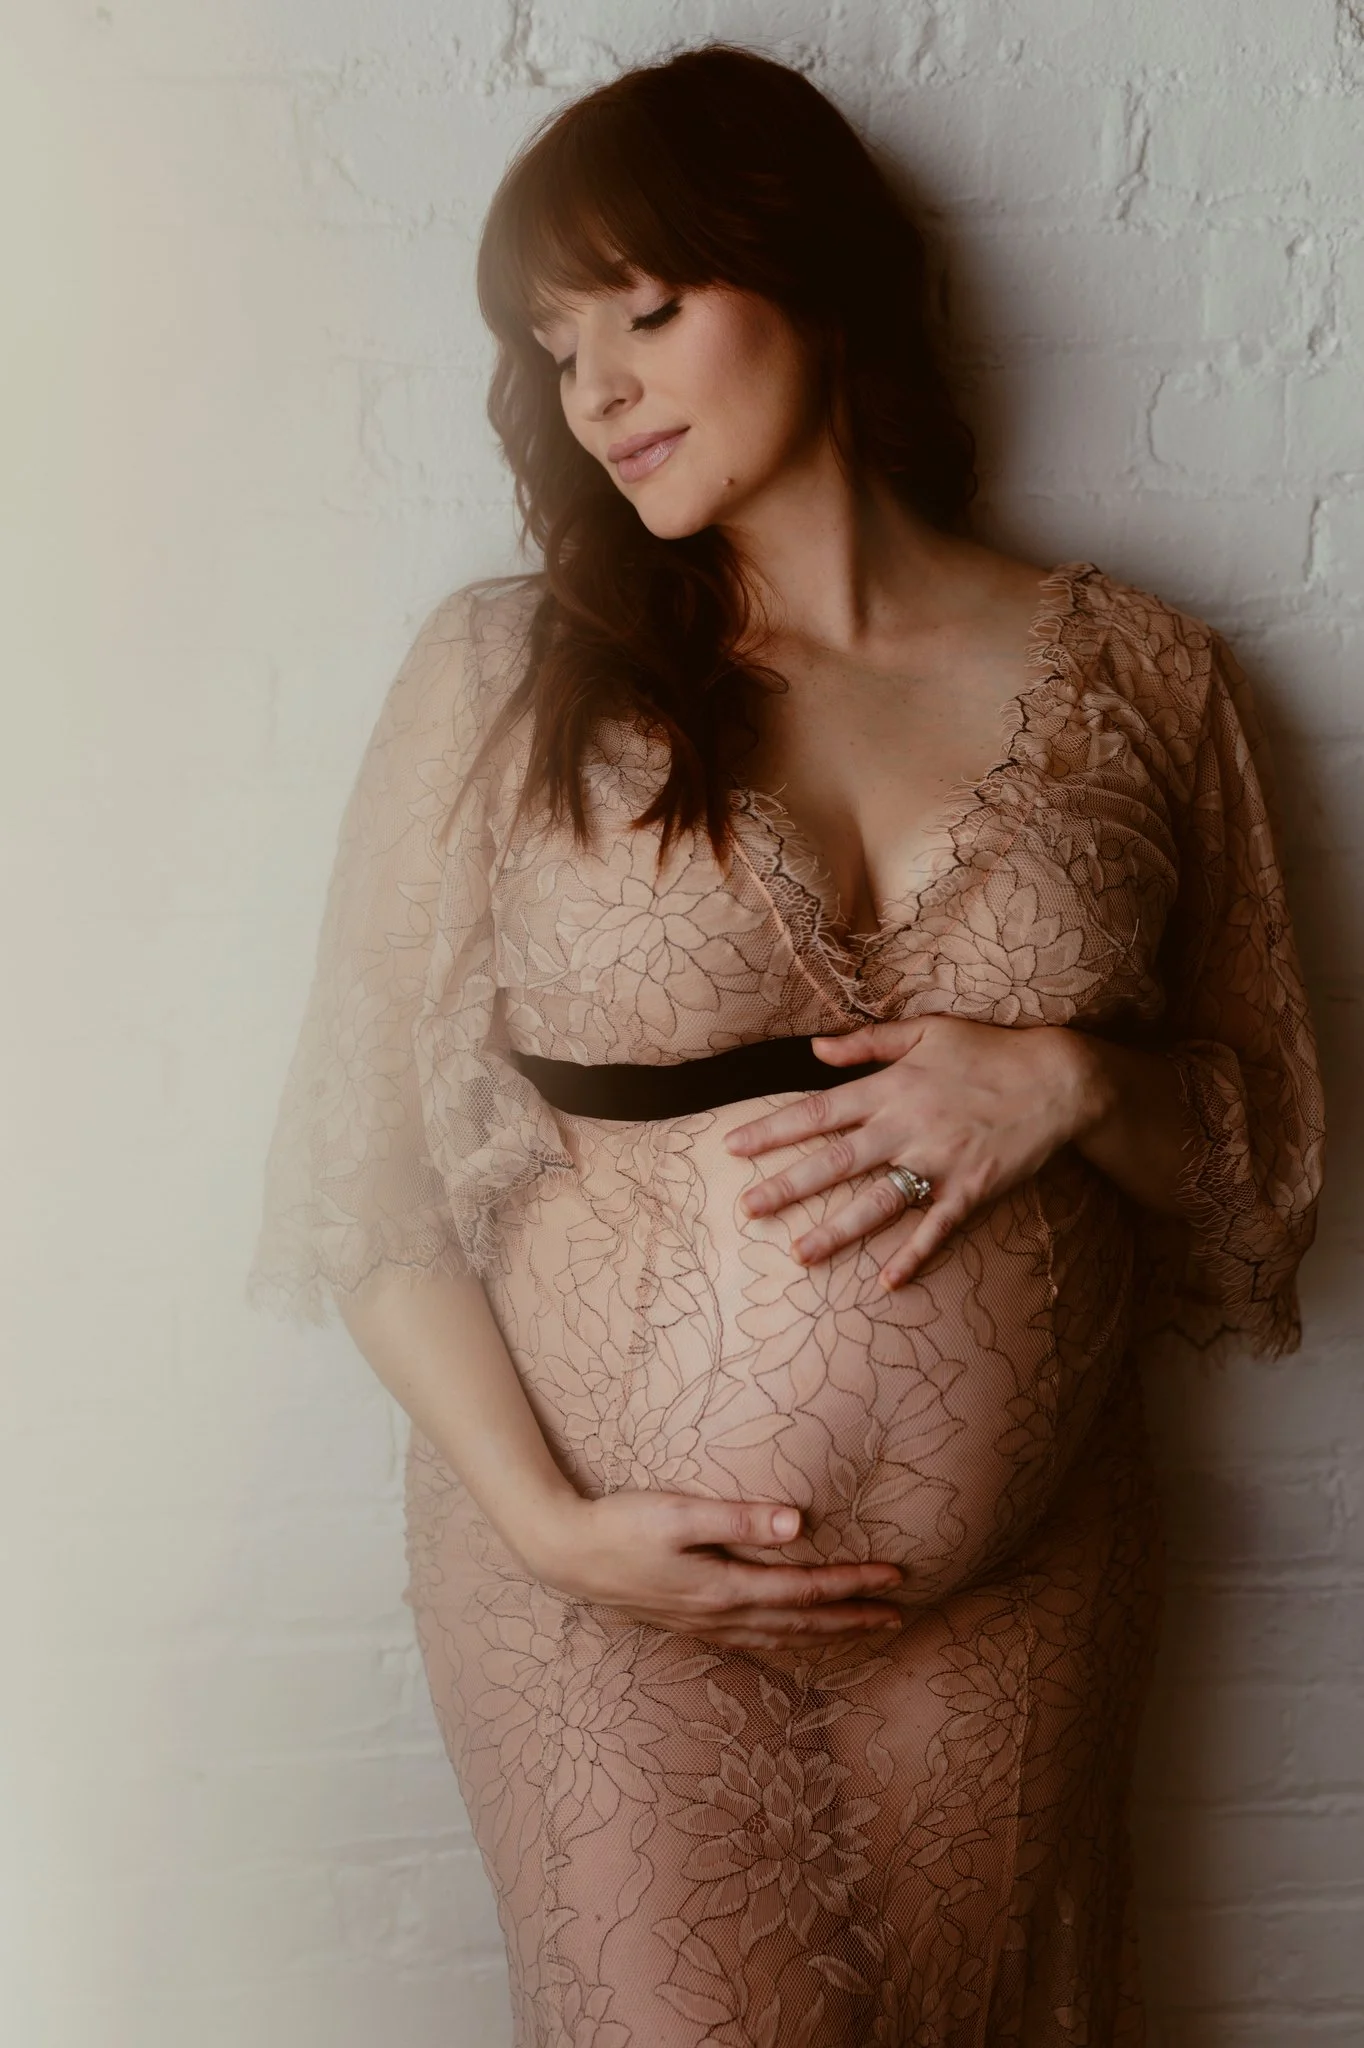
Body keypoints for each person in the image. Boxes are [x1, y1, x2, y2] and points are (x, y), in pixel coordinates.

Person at [247, 42, 1325, 2048]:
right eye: (556, 349)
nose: (599, 390)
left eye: (645, 311)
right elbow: (360, 1170)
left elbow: (1257, 1157)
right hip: (605, 1594)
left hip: (1024, 1592)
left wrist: (1073, 1080)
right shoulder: (503, 673)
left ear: (814, 281)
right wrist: (552, 1527)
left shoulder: (1144, 673)